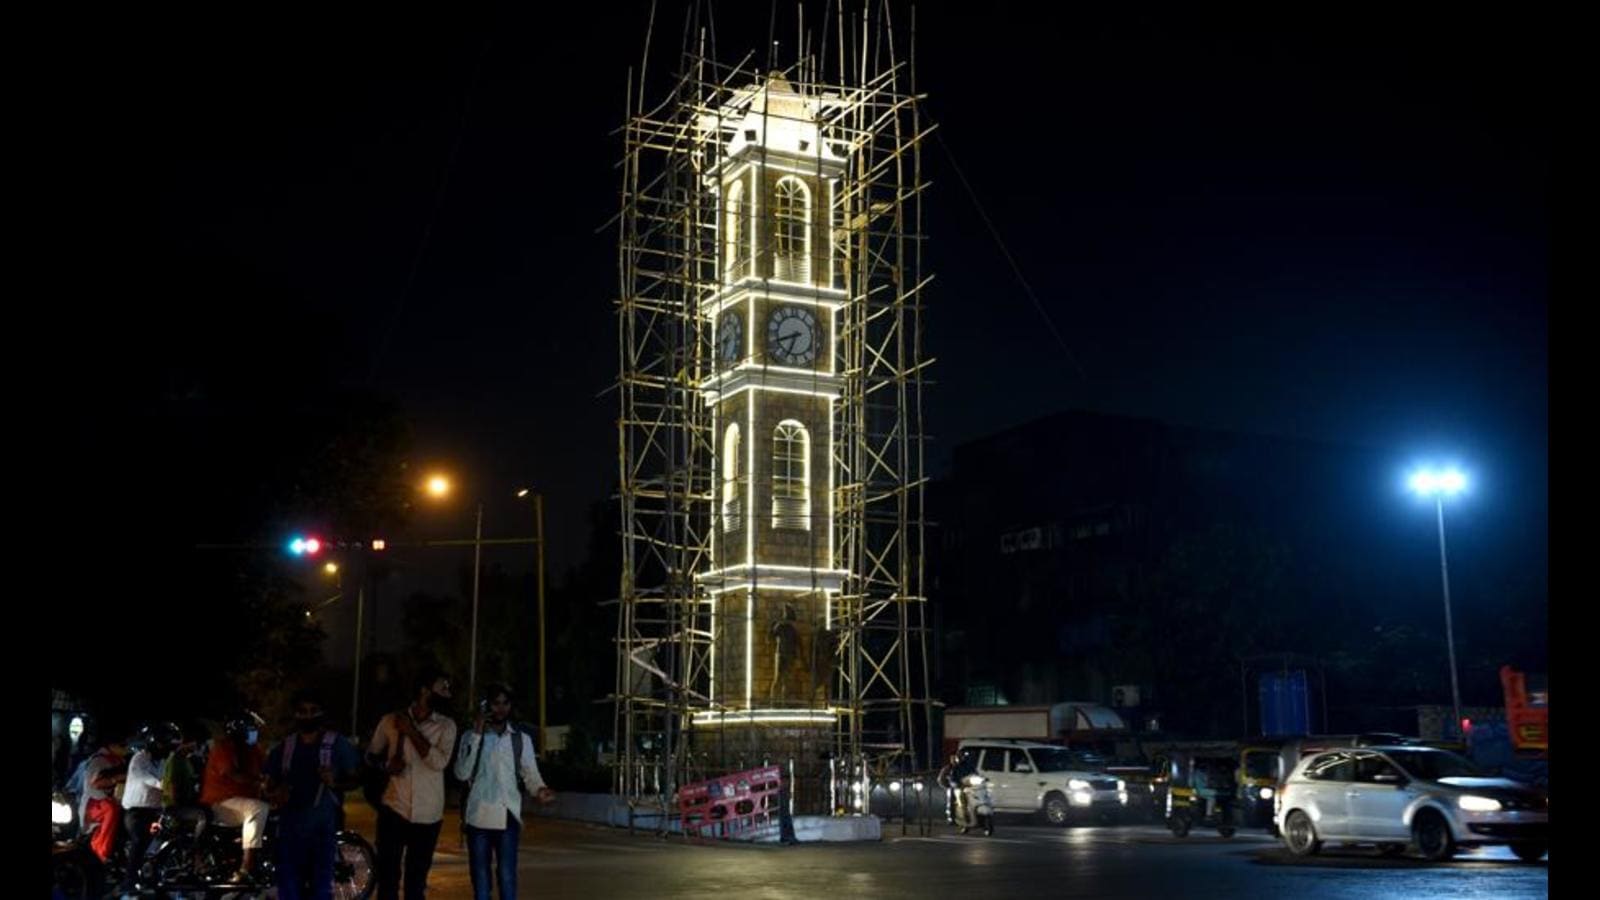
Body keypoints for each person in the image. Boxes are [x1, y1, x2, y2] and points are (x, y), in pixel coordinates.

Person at [453, 684, 555, 900]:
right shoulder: (470, 737)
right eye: (495, 703)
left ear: (510, 706)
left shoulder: (520, 739)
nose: (500, 708)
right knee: (481, 880)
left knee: (507, 876)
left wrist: (540, 790)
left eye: (505, 703)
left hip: (508, 816)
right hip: (478, 817)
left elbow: (530, 774)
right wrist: (478, 733)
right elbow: (462, 773)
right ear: (487, 705)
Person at [368, 670, 459, 900]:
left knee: (416, 883)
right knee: (387, 879)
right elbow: (371, 755)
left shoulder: (447, 726)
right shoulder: (391, 720)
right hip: (393, 807)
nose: (448, 692)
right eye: (443, 687)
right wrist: (386, 765)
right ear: (424, 690)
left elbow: (439, 762)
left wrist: (411, 731)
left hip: (428, 814)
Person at [266, 690, 361, 900]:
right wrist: (275, 792)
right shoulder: (286, 746)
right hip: (290, 828)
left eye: (313, 711)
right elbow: (270, 783)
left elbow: (356, 778)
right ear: (295, 714)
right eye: (302, 711)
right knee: (289, 887)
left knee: (321, 888)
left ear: (321, 713)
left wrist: (335, 782)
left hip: (323, 829)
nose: (308, 716)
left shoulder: (336, 744)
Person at [202, 711, 269, 881]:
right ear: (240, 732)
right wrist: (258, 782)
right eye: (251, 729)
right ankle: (246, 867)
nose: (255, 733)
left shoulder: (253, 750)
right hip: (221, 802)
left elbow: (268, 769)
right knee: (258, 809)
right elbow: (233, 774)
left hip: (241, 802)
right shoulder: (224, 748)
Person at [120, 722, 181, 893]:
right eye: (165, 744)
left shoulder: (162, 761)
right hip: (136, 812)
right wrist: (163, 784)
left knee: (170, 839)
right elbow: (145, 778)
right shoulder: (140, 758)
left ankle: (155, 877)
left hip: (155, 811)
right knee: (139, 841)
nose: (168, 749)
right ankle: (129, 885)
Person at [80, 732, 130, 863]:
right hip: (94, 802)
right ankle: (102, 852)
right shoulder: (99, 761)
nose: (126, 749)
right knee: (111, 809)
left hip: (114, 799)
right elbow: (94, 784)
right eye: (123, 746)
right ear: (112, 746)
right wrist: (116, 779)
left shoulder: (119, 760)